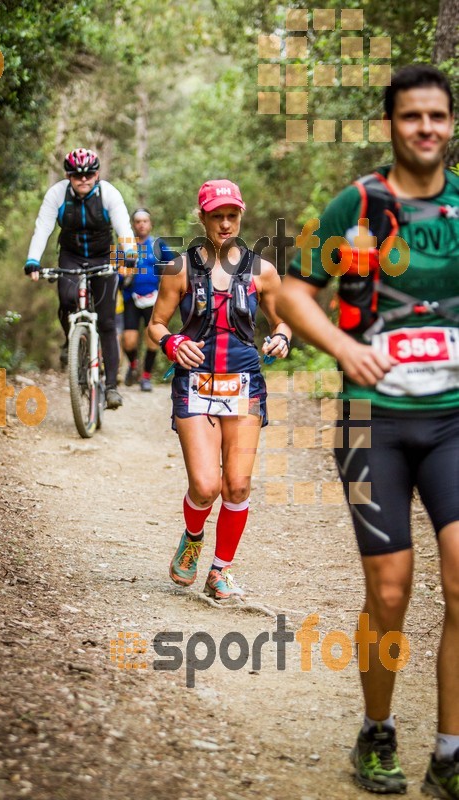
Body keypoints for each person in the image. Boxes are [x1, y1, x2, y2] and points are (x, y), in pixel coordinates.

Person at [278, 65, 459, 796]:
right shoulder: (355, 206)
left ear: (450, 125)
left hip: (451, 420)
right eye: (411, 117)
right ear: (389, 124)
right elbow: (289, 290)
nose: (425, 129)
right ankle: (375, 731)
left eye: (437, 117)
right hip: (368, 423)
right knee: (390, 593)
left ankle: (449, 753)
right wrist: (343, 348)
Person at [148, 179, 291, 601]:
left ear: (241, 215)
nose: (225, 223)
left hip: (244, 383)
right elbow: (156, 323)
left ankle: (220, 571)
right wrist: (171, 342)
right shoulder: (180, 268)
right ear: (203, 217)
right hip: (195, 383)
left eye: (232, 215)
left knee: (238, 486)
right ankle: (193, 537)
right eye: (216, 216)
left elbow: (282, 322)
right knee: (207, 486)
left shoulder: (262, 271)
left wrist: (281, 337)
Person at [24, 147, 137, 409]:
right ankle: (71, 342)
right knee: (66, 299)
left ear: (97, 175)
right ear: (68, 176)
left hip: (103, 258)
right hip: (71, 256)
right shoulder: (57, 194)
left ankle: (110, 387)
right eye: (77, 176)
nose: (83, 180)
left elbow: (123, 225)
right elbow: (43, 227)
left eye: (89, 175)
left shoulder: (108, 193)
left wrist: (129, 251)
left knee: (108, 322)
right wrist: (33, 260)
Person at [123, 209, 173, 391]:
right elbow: (115, 271)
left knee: (152, 338)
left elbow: (174, 264)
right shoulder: (125, 246)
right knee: (129, 340)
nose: (142, 224)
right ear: (133, 225)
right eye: (138, 221)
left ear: (150, 224)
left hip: (153, 299)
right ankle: (133, 365)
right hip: (130, 298)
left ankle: (146, 377)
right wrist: (123, 275)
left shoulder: (158, 245)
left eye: (145, 221)